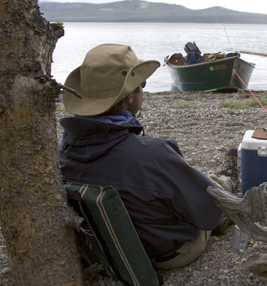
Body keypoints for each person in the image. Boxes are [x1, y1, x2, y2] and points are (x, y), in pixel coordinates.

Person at [58, 43, 236, 270]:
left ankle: (219, 180)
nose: (143, 88)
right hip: (166, 252)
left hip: (106, 250)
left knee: (183, 182)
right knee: (214, 189)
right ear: (130, 96)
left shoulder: (62, 149)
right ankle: (227, 180)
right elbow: (209, 213)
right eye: (140, 83)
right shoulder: (152, 155)